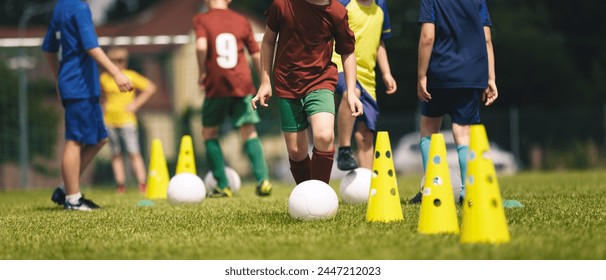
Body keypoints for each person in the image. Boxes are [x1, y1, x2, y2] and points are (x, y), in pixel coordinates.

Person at [252, 0, 363, 185]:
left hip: (321, 80)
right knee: (296, 151)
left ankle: (319, 194)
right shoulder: (282, 5)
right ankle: (306, 195)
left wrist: (351, 91)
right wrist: (265, 82)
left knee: (324, 136)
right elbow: (268, 41)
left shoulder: (337, 12)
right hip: (287, 83)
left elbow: (348, 51)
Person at [43, 0, 133, 210]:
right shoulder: (79, 8)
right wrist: (116, 73)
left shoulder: (61, 7)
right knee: (75, 140)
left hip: (82, 86)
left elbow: (48, 47)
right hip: (79, 85)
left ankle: (65, 188)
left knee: (100, 138)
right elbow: (91, 46)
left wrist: (58, 78)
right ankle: (73, 199)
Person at [410, 0, 498, 204]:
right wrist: (490, 78)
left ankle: (432, 187)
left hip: (439, 73)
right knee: (463, 133)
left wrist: (421, 75)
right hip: (470, 74)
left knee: (429, 128)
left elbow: (427, 37)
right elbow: (486, 40)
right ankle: (469, 191)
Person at [193, 0, 272, 198]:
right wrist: (263, 80)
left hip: (216, 85)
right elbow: (255, 52)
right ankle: (263, 181)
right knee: (248, 131)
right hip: (242, 84)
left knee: (209, 132)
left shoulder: (202, 19)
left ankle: (223, 185)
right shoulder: (241, 20)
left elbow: (201, 47)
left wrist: (202, 72)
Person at [331, 0, 397, 171]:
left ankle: (367, 185)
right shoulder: (343, 3)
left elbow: (380, 42)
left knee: (366, 134)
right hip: (340, 65)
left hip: (368, 76)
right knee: (353, 93)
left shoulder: (381, 6)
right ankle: (344, 149)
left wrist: (387, 73)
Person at [101, 47, 156, 194]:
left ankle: (142, 183)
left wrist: (135, 104)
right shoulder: (105, 78)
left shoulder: (129, 76)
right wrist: (103, 105)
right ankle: (120, 184)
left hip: (127, 120)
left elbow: (150, 88)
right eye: (115, 61)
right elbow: (101, 95)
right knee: (116, 154)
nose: (118, 64)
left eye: (121, 61)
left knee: (133, 152)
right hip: (109, 120)